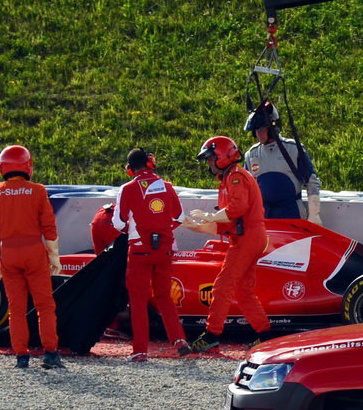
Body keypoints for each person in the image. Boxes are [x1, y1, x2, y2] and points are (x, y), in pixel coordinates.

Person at [182, 135, 269, 354]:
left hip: (247, 238)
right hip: (247, 236)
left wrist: (209, 219)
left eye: (211, 158)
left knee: (222, 287)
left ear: (222, 156)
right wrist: (198, 226)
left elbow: (236, 209)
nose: (209, 163)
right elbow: (228, 222)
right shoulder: (230, 178)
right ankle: (265, 335)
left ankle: (212, 334)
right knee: (243, 291)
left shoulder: (236, 177)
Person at [0, 144, 64, 370]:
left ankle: (21, 356)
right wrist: (54, 257)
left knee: (15, 309)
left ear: (2, 167)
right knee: (44, 306)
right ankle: (50, 354)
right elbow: (49, 226)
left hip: (8, 253)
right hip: (34, 252)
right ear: (27, 166)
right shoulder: (37, 190)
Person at [115, 147, 190, 361]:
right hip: (165, 248)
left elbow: (118, 222)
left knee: (138, 300)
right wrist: (161, 231)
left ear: (130, 169)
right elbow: (179, 218)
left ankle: (140, 351)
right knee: (164, 297)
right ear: (150, 163)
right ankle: (179, 339)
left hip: (139, 251)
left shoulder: (127, 189)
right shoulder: (167, 186)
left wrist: (134, 233)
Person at [242, 100, 322, 223]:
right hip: (264, 215)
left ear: (273, 127)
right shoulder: (251, 154)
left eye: (262, 129)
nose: (259, 134)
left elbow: (311, 180)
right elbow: (246, 189)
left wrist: (314, 214)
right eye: (256, 130)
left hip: (292, 211)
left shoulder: (294, 149)